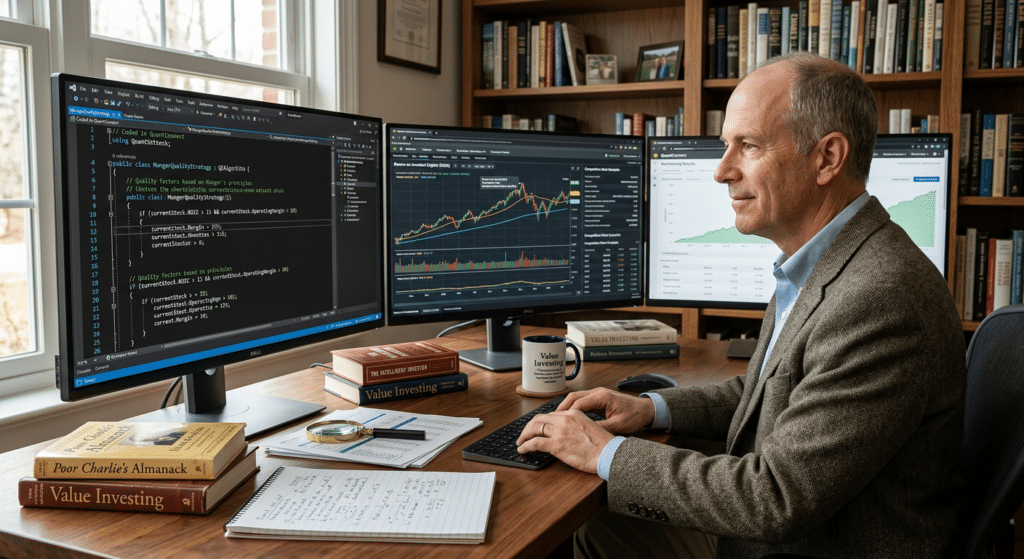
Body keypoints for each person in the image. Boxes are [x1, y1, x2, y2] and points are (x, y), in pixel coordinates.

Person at [516, 52, 967, 558]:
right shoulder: (826, 260)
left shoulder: (880, 299)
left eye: (747, 146)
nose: (721, 171)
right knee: (605, 529)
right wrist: (650, 409)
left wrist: (605, 452)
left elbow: (774, 498)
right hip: (811, 527)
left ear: (827, 158)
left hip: (826, 544)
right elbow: (768, 393)